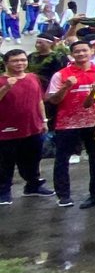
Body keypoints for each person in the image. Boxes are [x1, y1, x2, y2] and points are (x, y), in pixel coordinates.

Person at [0, 48, 50, 204]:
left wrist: (44, 120)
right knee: (5, 163)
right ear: (6, 63)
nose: (20, 63)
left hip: (33, 127)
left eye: (23, 60)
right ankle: (4, 191)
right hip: (7, 130)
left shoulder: (32, 77)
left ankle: (33, 186)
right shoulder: (2, 80)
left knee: (32, 160)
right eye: (15, 61)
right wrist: (6, 87)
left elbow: (39, 100)